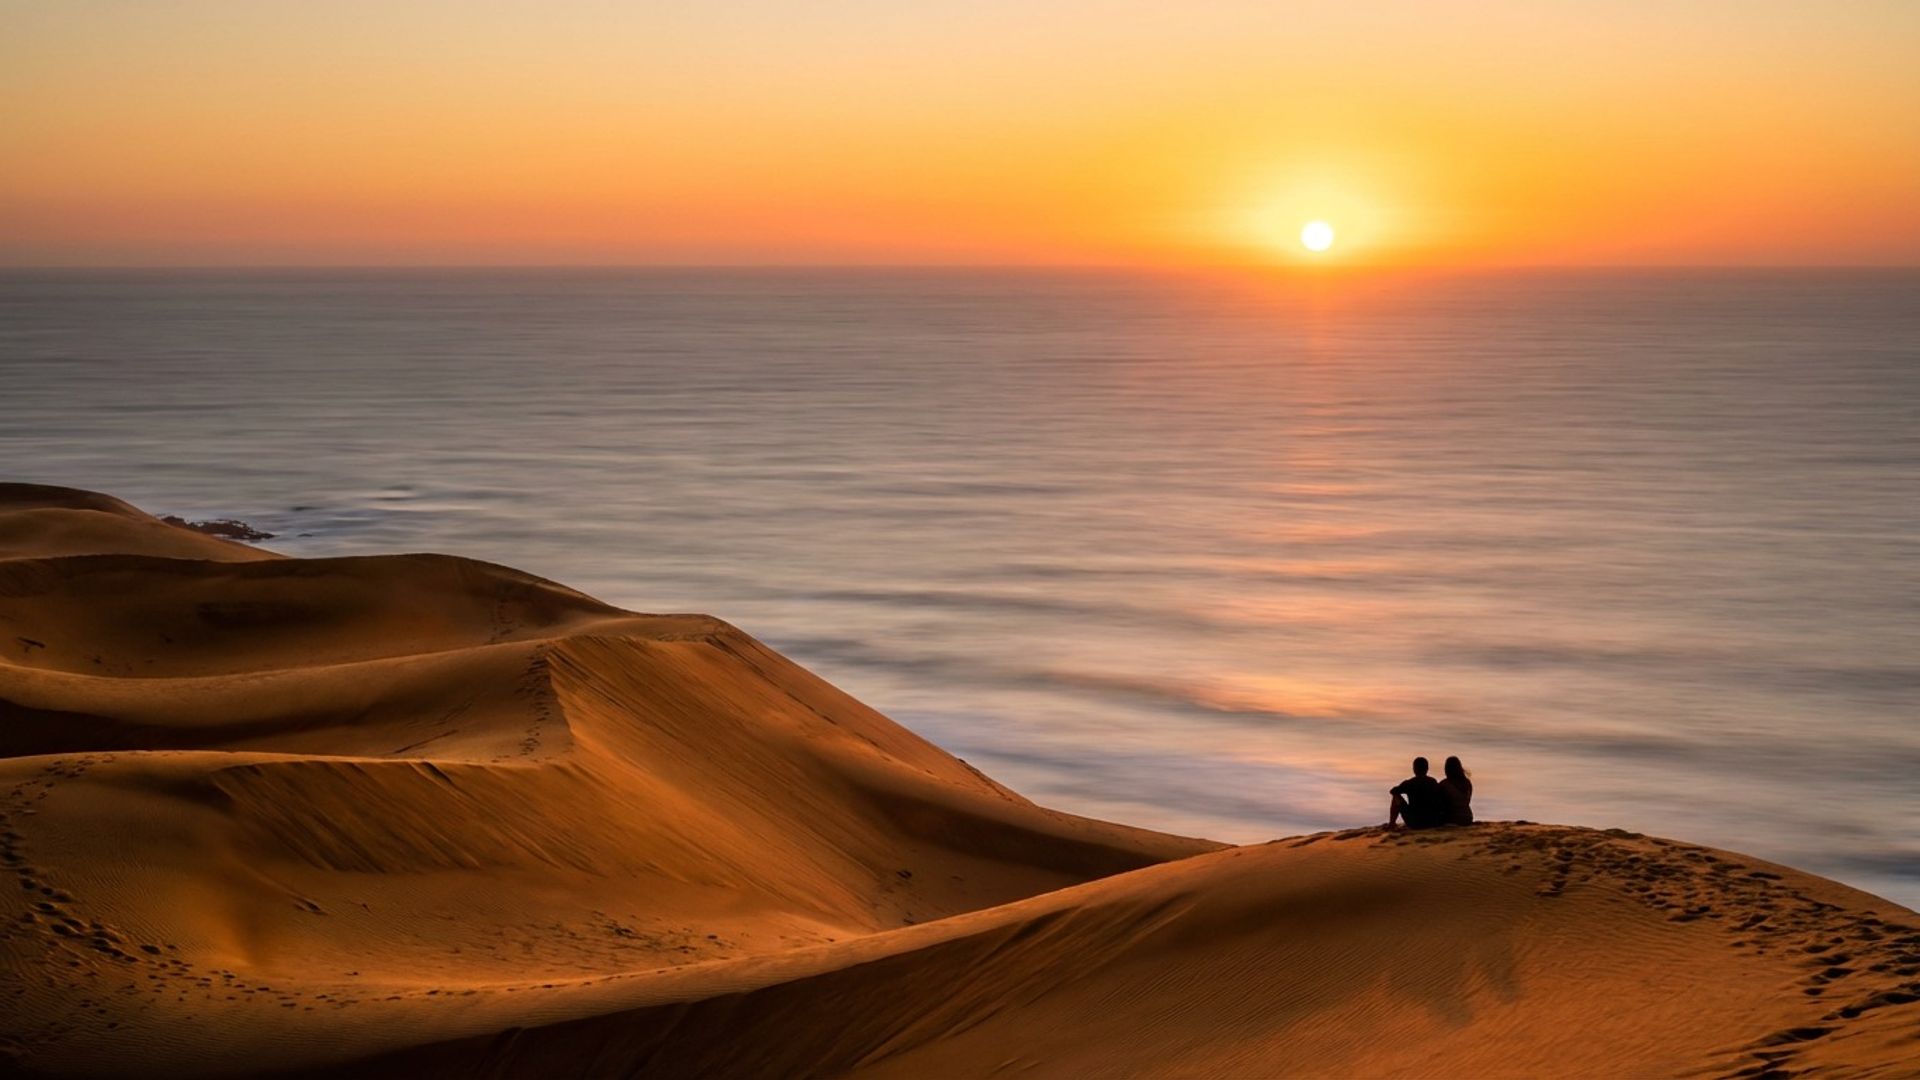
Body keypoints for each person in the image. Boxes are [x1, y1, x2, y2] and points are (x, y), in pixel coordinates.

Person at [1388, 757, 1446, 829]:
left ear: (1414, 769)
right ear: (1427, 769)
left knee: (1396, 796)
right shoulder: (1433, 782)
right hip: (1433, 821)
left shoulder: (1409, 783)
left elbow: (1393, 791)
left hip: (1415, 822)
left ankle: (1392, 824)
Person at [1438, 755, 1474, 826]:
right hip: (1468, 817)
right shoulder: (1467, 782)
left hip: (1452, 818)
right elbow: (1467, 801)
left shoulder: (1444, 784)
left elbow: (1441, 804)